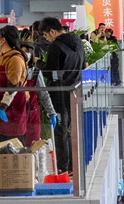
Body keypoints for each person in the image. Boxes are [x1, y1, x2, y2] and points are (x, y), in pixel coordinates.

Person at [41, 17, 83, 173]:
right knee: (71, 130)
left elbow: (49, 72)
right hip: (75, 89)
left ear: (52, 31)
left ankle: (63, 167)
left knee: (60, 130)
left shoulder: (56, 46)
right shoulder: (78, 42)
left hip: (59, 91)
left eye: (46, 35)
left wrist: (39, 64)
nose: (47, 38)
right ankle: (73, 165)